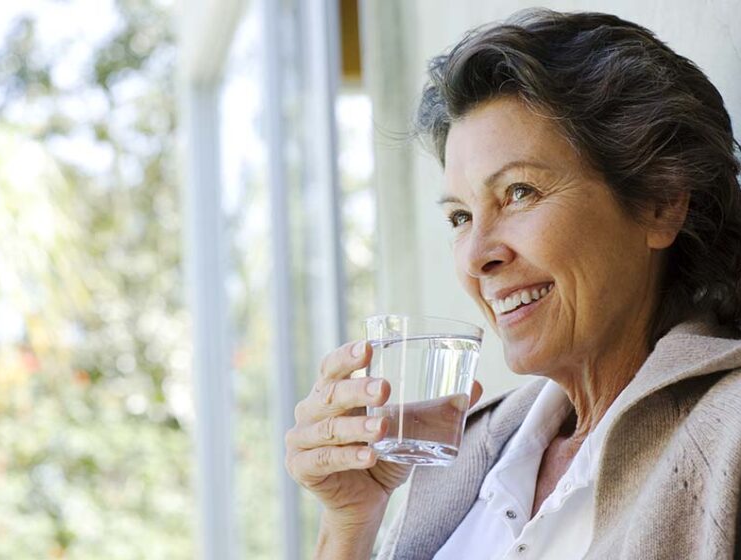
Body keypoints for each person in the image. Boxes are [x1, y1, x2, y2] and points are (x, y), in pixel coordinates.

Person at [285, 9, 741, 559]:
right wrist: (348, 523)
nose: (477, 255)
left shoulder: (726, 437)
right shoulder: (466, 452)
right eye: (459, 217)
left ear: (661, 203)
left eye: (519, 192)